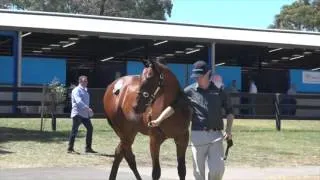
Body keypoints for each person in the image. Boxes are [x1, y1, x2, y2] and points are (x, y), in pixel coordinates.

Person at [149, 60, 234, 180]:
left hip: (216, 135)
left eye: (199, 76)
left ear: (207, 74)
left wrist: (228, 130)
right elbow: (173, 107)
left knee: (217, 170)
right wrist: (159, 120)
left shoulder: (219, 91)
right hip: (198, 135)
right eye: (195, 76)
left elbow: (230, 112)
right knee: (199, 173)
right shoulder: (189, 91)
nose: (197, 78)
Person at [67, 75, 96, 153]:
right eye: (84, 81)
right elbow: (78, 101)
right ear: (80, 81)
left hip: (85, 115)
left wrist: (88, 112)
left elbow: (85, 102)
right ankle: (70, 149)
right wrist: (88, 109)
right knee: (74, 131)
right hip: (77, 114)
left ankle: (88, 148)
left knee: (90, 128)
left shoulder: (85, 90)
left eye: (86, 81)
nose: (86, 82)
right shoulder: (76, 90)